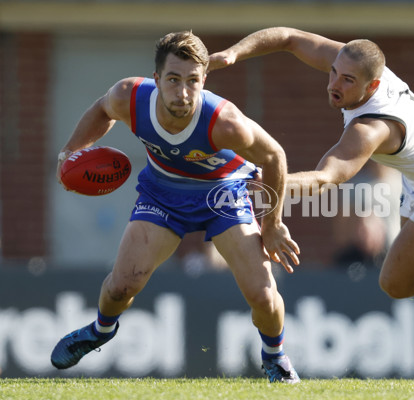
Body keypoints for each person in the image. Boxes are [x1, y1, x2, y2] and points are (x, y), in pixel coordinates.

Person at [209, 27, 414, 382]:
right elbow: (287, 37)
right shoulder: (359, 64)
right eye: (334, 73)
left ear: (372, 87)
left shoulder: (371, 127)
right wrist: (234, 53)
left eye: (347, 80)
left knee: (397, 282)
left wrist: (260, 187)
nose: (334, 84)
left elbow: (324, 179)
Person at [50, 31, 301, 383]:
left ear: (204, 80)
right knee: (121, 287)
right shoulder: (129, 97)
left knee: (262, 295)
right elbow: (101, 110)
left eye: (192, 81)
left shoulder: (224, 121)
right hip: (163, 193)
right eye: (172, 80)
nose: (183, 93)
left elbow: (275, 155)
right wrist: (69, 154)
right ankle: (100, 330)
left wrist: (272, 224)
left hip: (222, 195)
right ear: (156, 79)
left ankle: (274, 356)